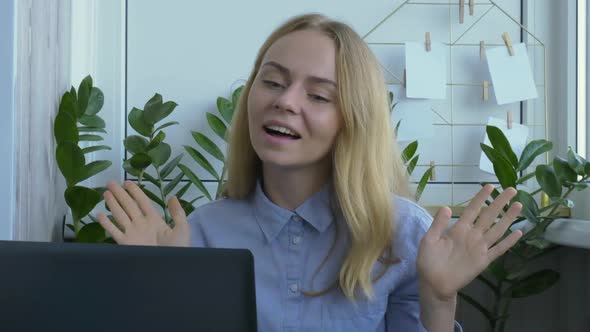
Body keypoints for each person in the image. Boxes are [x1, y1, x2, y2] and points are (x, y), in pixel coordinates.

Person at [97, 13, 523, 332]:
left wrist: (438, 299)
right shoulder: (200, 234)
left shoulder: (406, 234)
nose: (285, 101)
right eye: (273, 82)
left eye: (318, 95)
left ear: (352, 120)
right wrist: (156, 282)